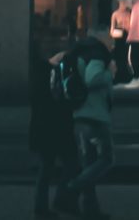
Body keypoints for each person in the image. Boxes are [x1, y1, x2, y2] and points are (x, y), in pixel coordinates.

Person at [52, 35, 114, 218]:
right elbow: (92, 79)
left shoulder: (78, 56)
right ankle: (73, 187)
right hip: (95, 116)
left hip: (78, 115)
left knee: (89, 163)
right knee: (107, 159)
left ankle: (90, 208)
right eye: (110, 40)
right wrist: (109, 73)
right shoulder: (96, 57)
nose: (112, 44)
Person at [28, 46, 77, 218]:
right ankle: (56, 201)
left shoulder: (41, 73)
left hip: (47, 129)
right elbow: (59, 99)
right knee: (68, 164)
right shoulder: (52, 75)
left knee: (48, 168)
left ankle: (45, 205)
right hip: (55, 128)